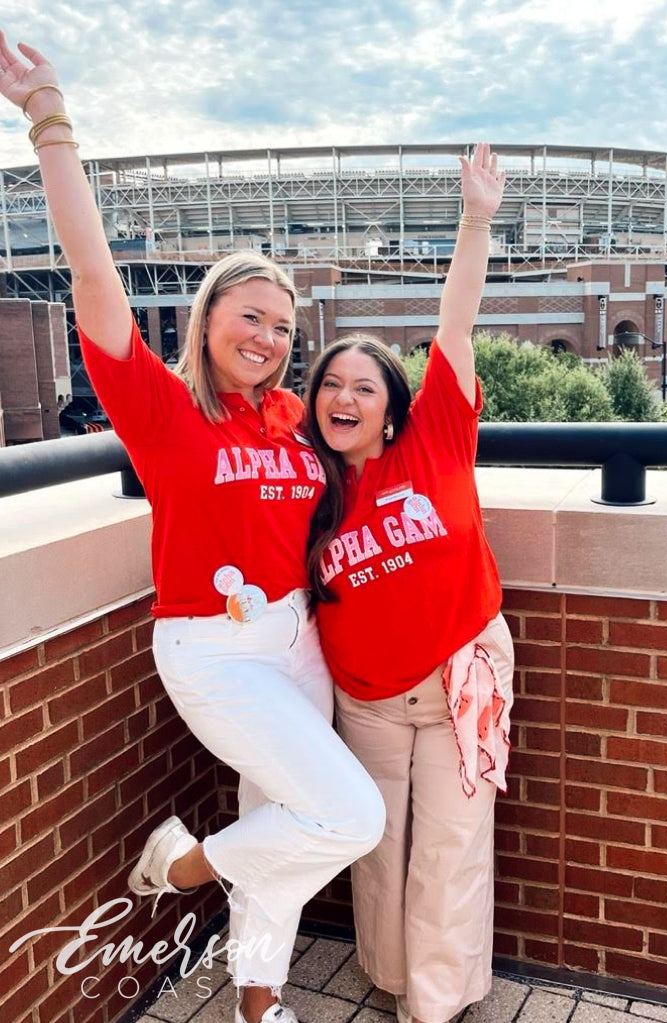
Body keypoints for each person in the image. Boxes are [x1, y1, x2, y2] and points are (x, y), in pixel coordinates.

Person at [0, 34, 385, 1023]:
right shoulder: (166, 414)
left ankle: (258, 1006)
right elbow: (90, 273)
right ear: (208, 315)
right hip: (213, 652)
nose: (267, 338)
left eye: (282, 328)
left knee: (284, 823)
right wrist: (49, 121)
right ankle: (180, 867)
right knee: (347, 815)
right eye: (249, 317)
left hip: (295, 640)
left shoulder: (293, 421)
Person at [304, 144, 514, 1023]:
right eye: (330, 385)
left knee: (452, 850)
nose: (345, 397)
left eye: (364, 385)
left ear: (393, 402)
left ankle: (436, 1001)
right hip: (367, 702)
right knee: (380, 848)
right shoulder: (303, 491)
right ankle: (389, 978)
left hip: (462, 676)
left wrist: (475, 219)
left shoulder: (436, 441)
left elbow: (456, 326)